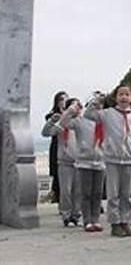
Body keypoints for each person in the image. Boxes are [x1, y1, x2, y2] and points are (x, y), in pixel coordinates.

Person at [84, 84, 131, 238]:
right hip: (113, 159)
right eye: (120, 94)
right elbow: (88, 115)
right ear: (115, 97)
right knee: (113, 193)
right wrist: (96, 100)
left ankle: (125, 221)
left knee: (126, 193)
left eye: (127, 94)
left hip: (129, 159)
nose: (123, 97)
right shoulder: (108, 114)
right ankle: (115, 223)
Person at [60, 96, 105, 232]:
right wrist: (70, 110)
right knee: (86, 193)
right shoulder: (81, 121)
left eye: (100, 105)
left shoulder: (104, 121)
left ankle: (95, 219)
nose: (98, 107)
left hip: (101, 162)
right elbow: (64, 123)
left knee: (98, 193)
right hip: (84, 162)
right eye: (95, 105)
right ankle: (87, 221)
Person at [42, 96, 81, 227]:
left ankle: (76, 215)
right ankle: (66, 216)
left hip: (80, 161)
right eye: (73, 107)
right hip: (64, 161)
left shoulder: (82, 122)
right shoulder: (62, 123)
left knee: (78, 191)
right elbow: (47, 133)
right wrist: (53, 121)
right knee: (66, 190)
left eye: (78, 107)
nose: (76, 110)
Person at [45, 91, 68, 204]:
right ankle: (58, 198)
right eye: (61, 100)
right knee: (56, 173)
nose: (63, 102)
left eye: (65, 99)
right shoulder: (53, 115)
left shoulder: (71, 115)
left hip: (69, 146)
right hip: (56, 146)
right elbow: (48, 130)